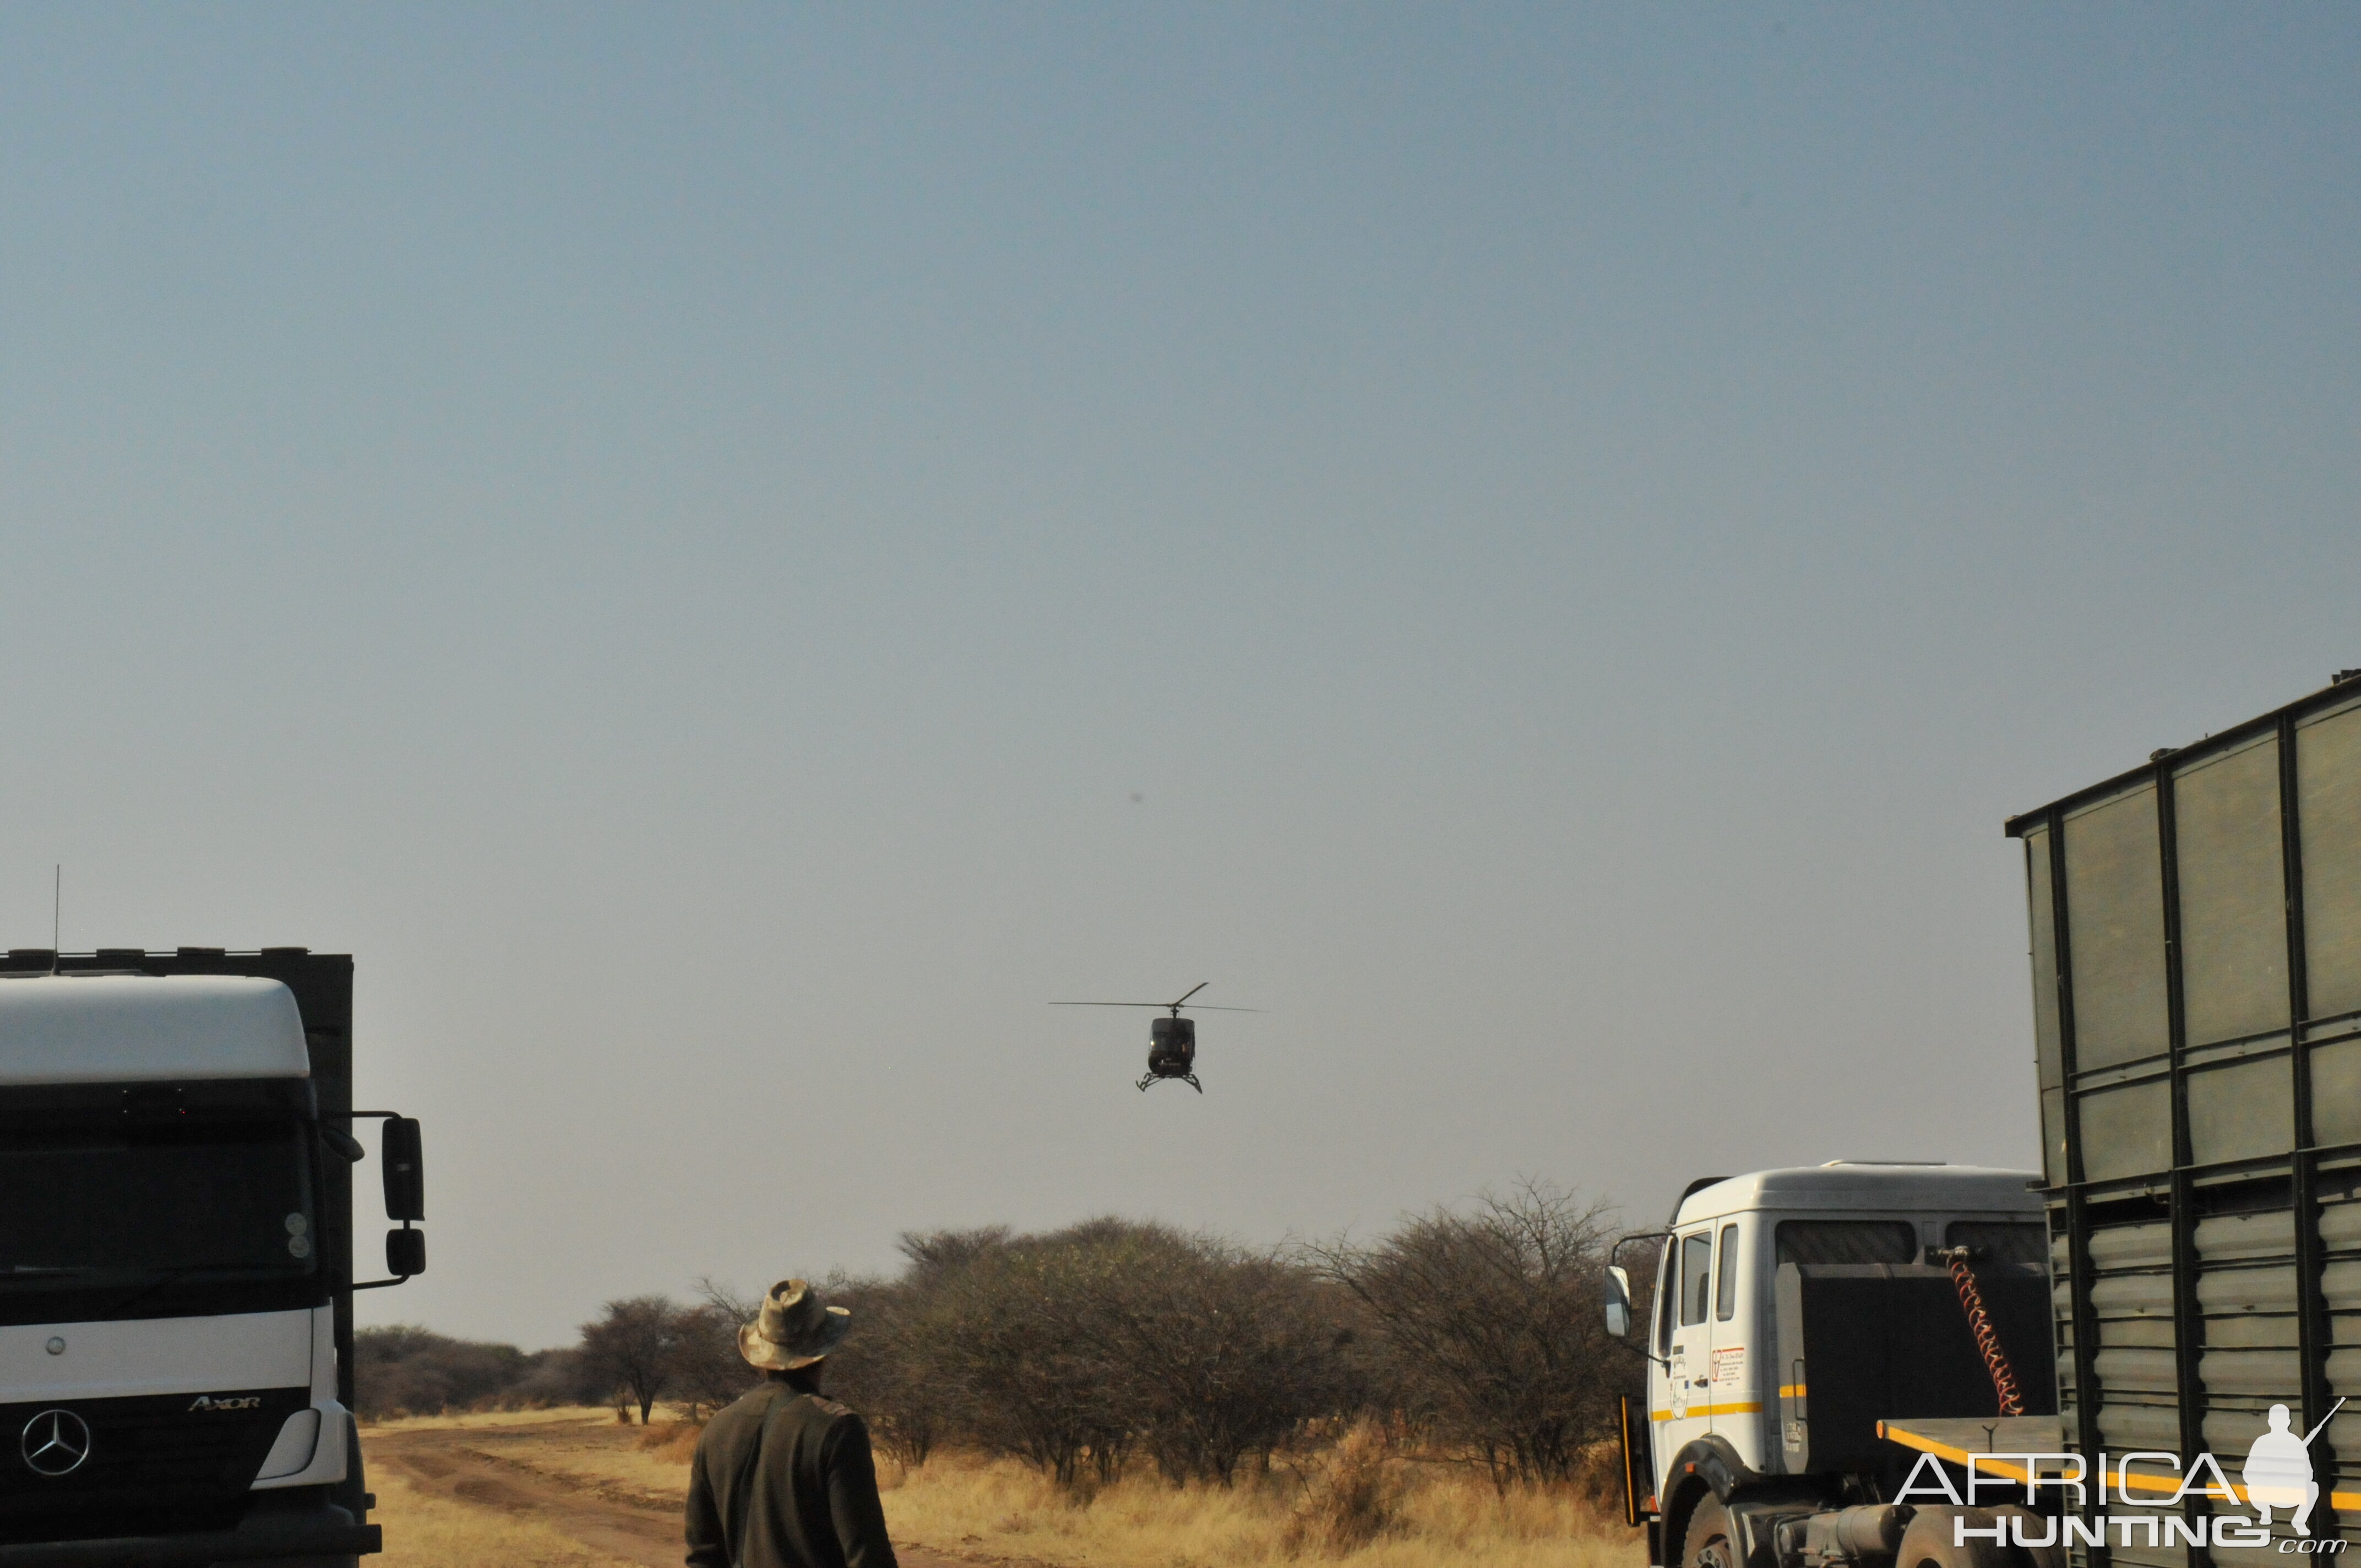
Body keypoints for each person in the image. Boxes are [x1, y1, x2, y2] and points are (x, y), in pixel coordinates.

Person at [685, 1278, 900, 1568]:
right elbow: (868, 1556)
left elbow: (703, 1557)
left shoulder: (716, 1430)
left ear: (762, 1353)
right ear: (825, 1350)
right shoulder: (838, 1429)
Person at [2241, 1403, 2318, 1533]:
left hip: (2272, 1496)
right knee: (2313, 1488)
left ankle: (2276, 1514)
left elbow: (2247, 1474)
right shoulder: (2295, 1442)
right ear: (2288, 1422)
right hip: (2279, 1496)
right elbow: (2309, 1475)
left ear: (2270, 1422)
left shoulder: (2263, 1442)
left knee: (2250, 1487)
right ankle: (2280, 1515)